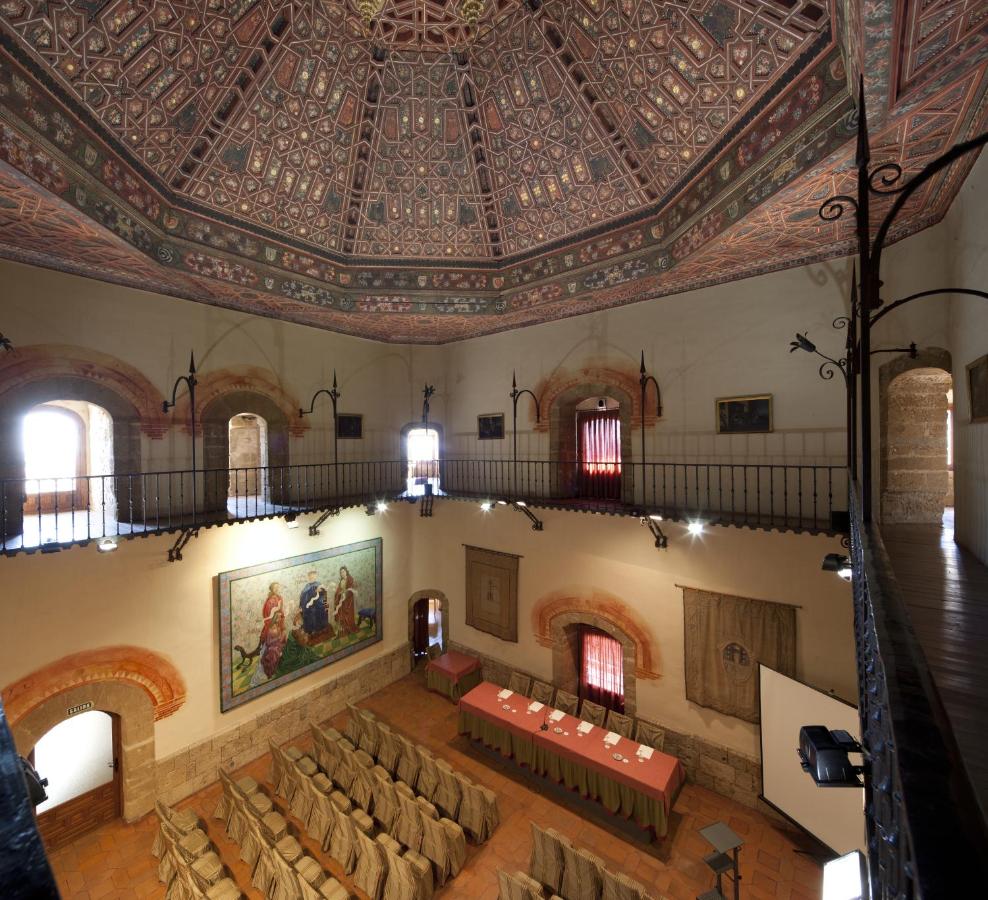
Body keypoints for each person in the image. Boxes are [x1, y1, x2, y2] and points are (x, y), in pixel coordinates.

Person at [299, 569, 329, 636]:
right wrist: (300, 605)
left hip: (318, 604)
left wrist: (319, 591)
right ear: (309, 577)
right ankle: (311, 630)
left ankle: (319, 629)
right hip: (308, 606)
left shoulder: (318, 584)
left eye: (313, 576)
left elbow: (323, 593)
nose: (312, 577)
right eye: (310, 576)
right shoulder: (307, 586)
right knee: (309, 614)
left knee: (317, 612)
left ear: (315, 576)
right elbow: (302, 596)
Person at [333, 565, 357, 636]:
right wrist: (338, 594)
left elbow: (351, 589)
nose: (342, 573)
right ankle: (344, 629)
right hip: (342, 600)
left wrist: (345, 594)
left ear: (346, 571)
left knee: (348, 615)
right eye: (341, 572)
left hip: (348, 601)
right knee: (342, 614)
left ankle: (349, 628)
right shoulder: (341, 581)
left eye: (343, 571)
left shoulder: (350, 579)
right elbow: (338, 590)